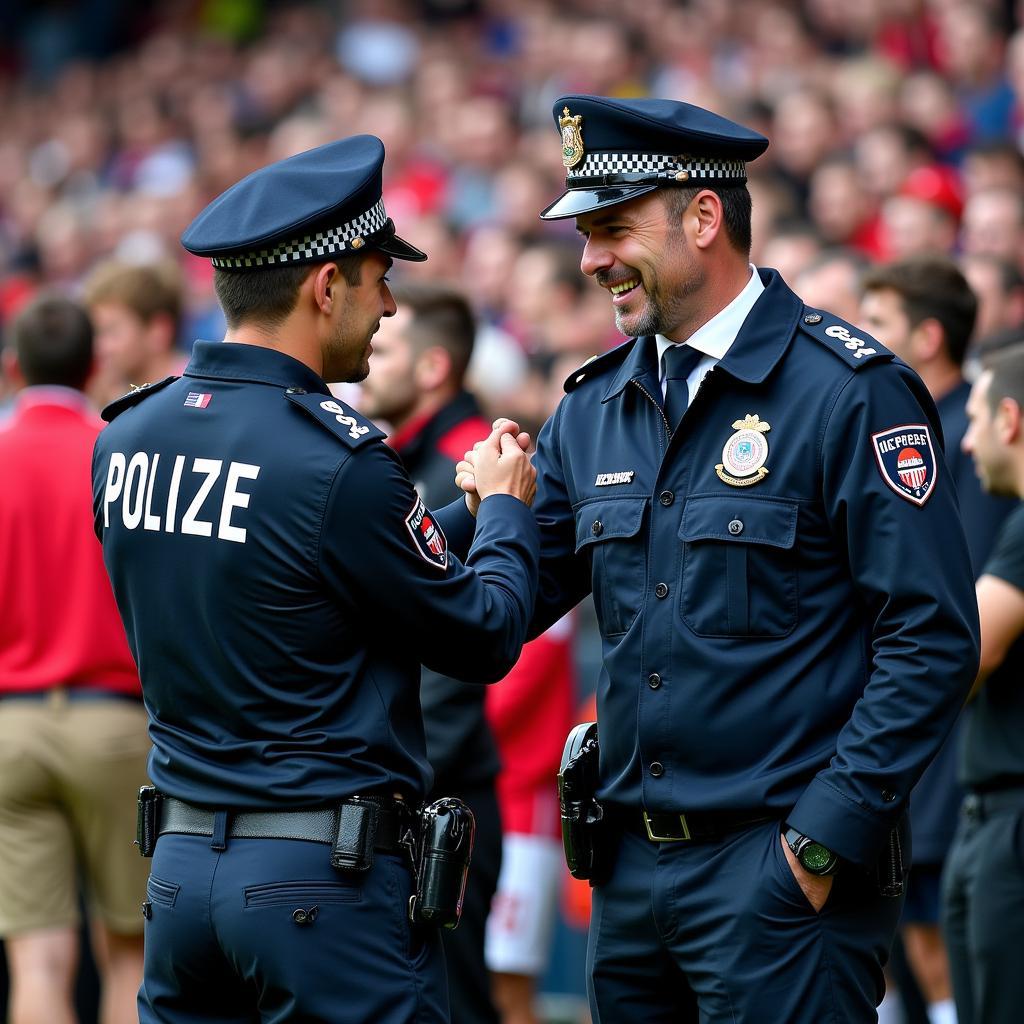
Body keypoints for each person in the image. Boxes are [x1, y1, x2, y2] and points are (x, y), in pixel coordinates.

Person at [458, 94, 980, 1022]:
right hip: (629, 877)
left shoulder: (849, 393)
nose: (590, 260)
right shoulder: (594, 404)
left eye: (613, 228)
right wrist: (494, 512)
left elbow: (931, 638)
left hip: (778, 880)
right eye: (583, 235)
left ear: (704, 216)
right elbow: (498, 613)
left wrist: (819, 846)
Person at [91, 135, 540, 1024]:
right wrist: (509, 511)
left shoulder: (127, 437)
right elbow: (484, 634)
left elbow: (311, 569)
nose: (387, 306)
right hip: (320, 891)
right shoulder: (338, 461)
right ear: (325, 284)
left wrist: (460, 513)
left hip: (182, 878)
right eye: (379, 279)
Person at [860, 256, 1016, 1024]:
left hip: (953, 754)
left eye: (879, 325)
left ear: (928, 337)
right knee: (906, 943)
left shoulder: (966, 445)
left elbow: (971, 627)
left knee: (940, 949)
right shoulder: (897, 421)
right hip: (927, 743)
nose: (861, 340)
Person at [0, 294, 150, 1024]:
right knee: (129, 949)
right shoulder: (119, 453)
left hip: (12, 726)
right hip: (115, 722)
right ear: (94, 366)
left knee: (37, 957)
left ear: (12, 367)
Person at [359, 283, 505, 1024]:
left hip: (436, 792)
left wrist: (405, 782)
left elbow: (454, 650)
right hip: (414, 788)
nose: (365, 364)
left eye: (384, 350)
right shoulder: (402, 458)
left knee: (452, 1001)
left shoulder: (464, 465)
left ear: (432, 368)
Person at [945, 341, 1024, 1024]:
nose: (967, 444)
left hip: (1014, 824)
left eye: (973, 421)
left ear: (1010, 419)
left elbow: (972, 652)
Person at [83, 259, 188, 408]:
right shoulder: (110, 394)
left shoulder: (189, 394)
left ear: (158, 331)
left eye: (113, 331)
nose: (101, 347)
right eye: (96, 332)